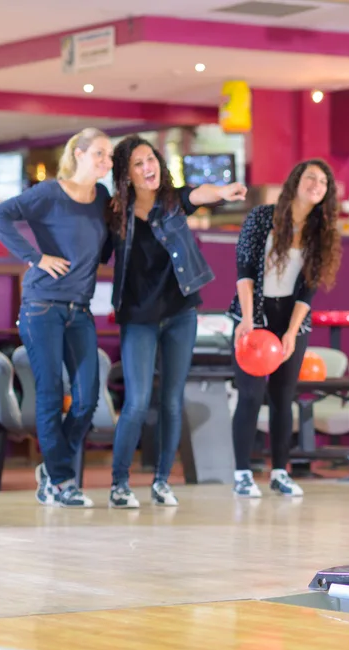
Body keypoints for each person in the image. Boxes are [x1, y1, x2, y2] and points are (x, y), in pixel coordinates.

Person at [105, 135, 247, 509]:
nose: (147, 167)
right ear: (126, 173)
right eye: (137, 163)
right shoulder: (115, 212)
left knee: (171, 400)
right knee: (136, 402)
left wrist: (226, 191)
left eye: (150, 159)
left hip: (180, 312)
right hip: (138, 317)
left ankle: (162, 482)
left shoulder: (173, 201)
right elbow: (95, 252)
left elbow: (200, 193)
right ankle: (119, 484)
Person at [0, 127, 113, 509]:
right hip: (42, 306)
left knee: (88, 397)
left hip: (80, 308)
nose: (106, 162)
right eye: (101, 155)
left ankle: (53, 469)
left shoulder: (102, 197)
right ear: (79, 153)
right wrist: (35, 257)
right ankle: (61, 480)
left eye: (109, 157)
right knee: (50, 394)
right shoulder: (50, 192)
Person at [229, 159, 342, 498]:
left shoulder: (321, 230)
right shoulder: (262, 217)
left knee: (283, 398)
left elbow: (308, 289)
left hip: (290, 318)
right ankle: (242, 474)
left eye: (323, 182)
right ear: (296, 181)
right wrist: (248, 320)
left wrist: (292, 332)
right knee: (249, 396)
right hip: (253, 313)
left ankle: (280, 471)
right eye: (311, 177)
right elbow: (245, 271)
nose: (316, 185)